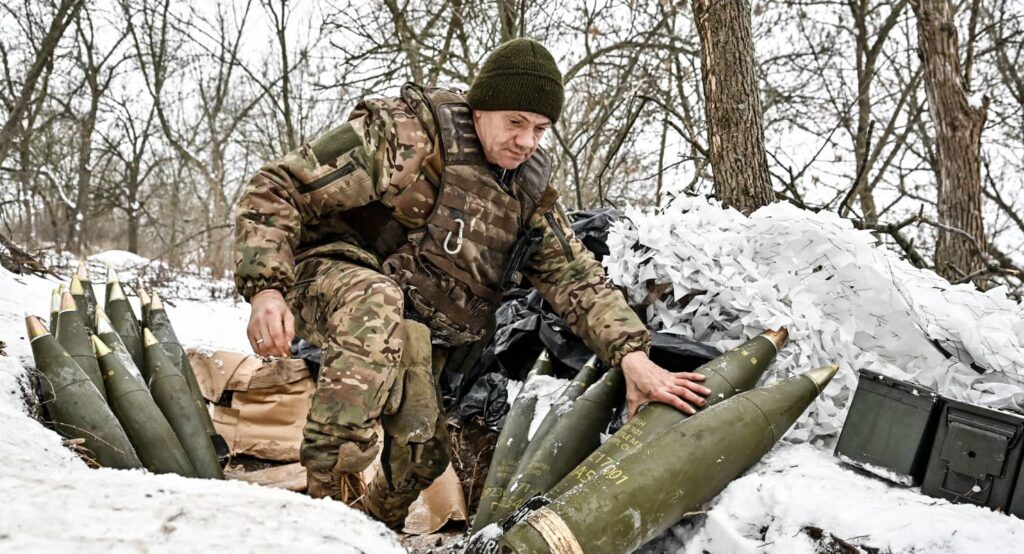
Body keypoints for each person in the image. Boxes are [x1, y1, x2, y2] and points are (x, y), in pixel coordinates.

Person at [233, 37, 710, 528]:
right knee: (375, 301)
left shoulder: (527, 191)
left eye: (541, 129)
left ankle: (373, 528)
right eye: (515, 122)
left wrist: (632, 355)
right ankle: (322, 516)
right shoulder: (406, 136)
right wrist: (265, 287)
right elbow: (278, 186)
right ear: (480, 109)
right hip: (331, 278)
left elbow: (577, 278)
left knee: (424, 452)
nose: (527, 141)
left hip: (409, 325)